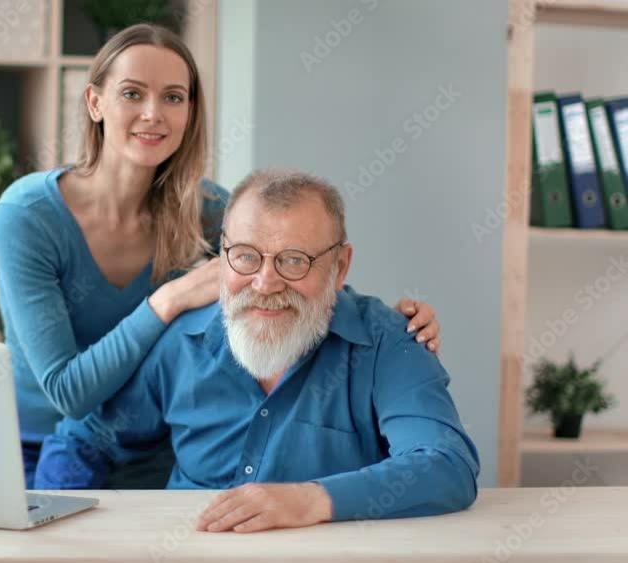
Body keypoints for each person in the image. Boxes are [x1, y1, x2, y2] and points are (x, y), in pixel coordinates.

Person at [0, 24, 443, 489]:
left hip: (159, 449)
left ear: (190, 112)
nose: (153, 113)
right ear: (94, 102)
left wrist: (389, 327)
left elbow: (288, 268)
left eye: (173, 97)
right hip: (43, 449)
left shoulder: (207, 211)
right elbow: (68, 393)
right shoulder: (28, 217)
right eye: (132, 93)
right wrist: (169, 299)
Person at [34, 169, 480, 533]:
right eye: (246, 256)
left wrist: (311, 499)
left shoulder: (387, 342)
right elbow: (84, 442)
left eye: (294, 260)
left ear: (340, 266)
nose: (265, 283)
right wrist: (49, 531)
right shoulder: (182, 341)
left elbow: (445, 464)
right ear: (222, 253)